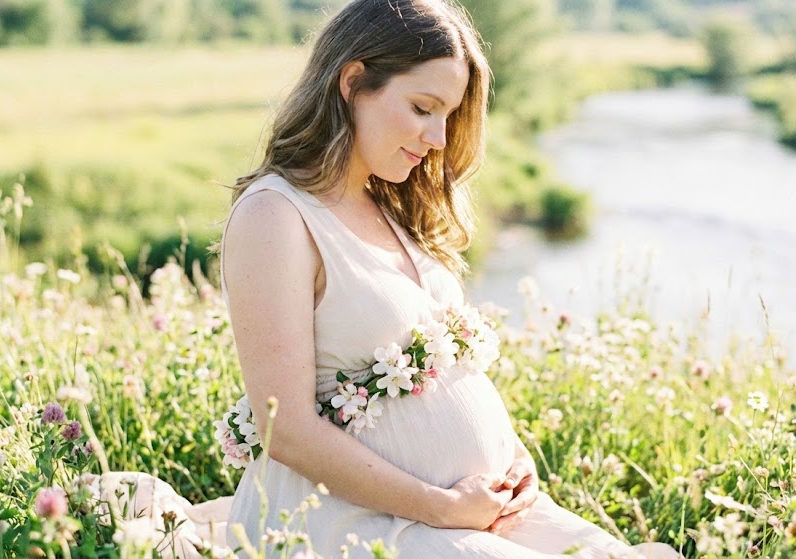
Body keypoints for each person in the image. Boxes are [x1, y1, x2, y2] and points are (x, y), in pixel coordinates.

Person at [100, 1, 681, 557]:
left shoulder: (393, 204)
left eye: (448, 117)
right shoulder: (276, 215)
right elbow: (288, 430)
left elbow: (453, 374)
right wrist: (440, 506)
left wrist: (515, 459)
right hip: (350, 522)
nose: (437, 139)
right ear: (353, 82)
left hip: (478, 509)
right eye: (423, 108)